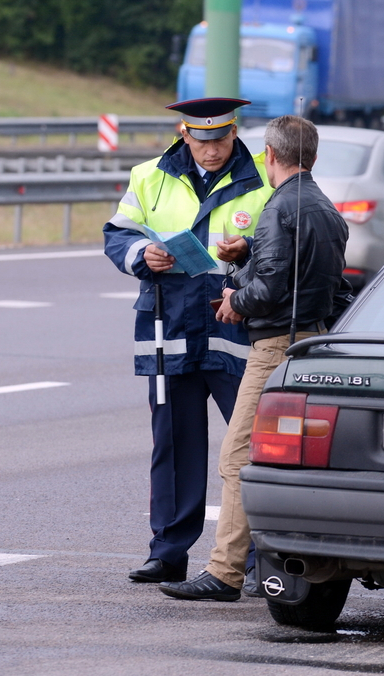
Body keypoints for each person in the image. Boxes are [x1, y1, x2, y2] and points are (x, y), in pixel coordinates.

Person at [160, 114, 351, 601]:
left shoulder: (280, 207)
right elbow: (313, 282)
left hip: (273, 348)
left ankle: (225, 572)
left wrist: (233, 300)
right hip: (313, 342)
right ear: (313, 156)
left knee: (238, 457)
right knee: (285, 461)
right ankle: (273, 563)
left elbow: (271, 287)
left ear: (269, 154)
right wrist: (247, 253)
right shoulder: (324, 208)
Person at [104, 97, 272, 584]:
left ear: (234, 133)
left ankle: (262, 556)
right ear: (183, 134)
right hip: (169, 326)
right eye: (202, 141)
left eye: (220, 140)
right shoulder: (149, 175)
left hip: (234, 328)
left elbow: (284, 242)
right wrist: (142, 253)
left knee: (252, 449)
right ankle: (168, 551)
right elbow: (118, 233)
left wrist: (249, 249)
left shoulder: (262, 177)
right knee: (173, 445)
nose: (212, 151)